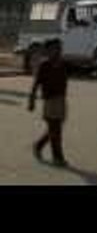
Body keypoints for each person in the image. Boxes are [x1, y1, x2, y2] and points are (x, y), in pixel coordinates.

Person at [29, 38, 69, 167]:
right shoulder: (44, 65)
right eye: (55, 48)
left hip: (61, 101)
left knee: (54, 130)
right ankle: (58, 157)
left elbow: (80, 70)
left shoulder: (63, 64)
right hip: (50, 101)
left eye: (60, 48)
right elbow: (36, 84)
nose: (58, 51)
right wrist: (32, 101)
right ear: (48, 51)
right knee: (55, 130)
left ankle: (38, 145)